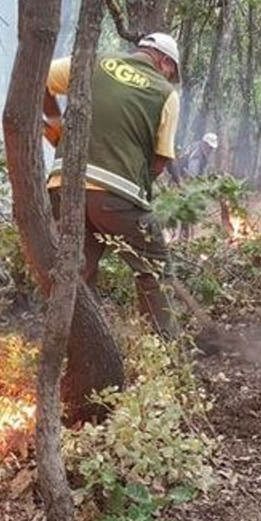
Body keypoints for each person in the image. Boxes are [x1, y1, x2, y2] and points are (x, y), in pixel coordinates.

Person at [42, 32, 182, 339]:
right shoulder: (166, 93)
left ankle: (77, 348)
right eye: (172, 72)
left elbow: (40, 78)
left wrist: (56, 131)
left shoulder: (95, 62)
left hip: (63, 188)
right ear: (165, 62)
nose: (171, 77)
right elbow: (160, 161)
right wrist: (134, 186)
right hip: (116, 196)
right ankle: (163, 355)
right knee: (154, 269)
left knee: (78, 271)